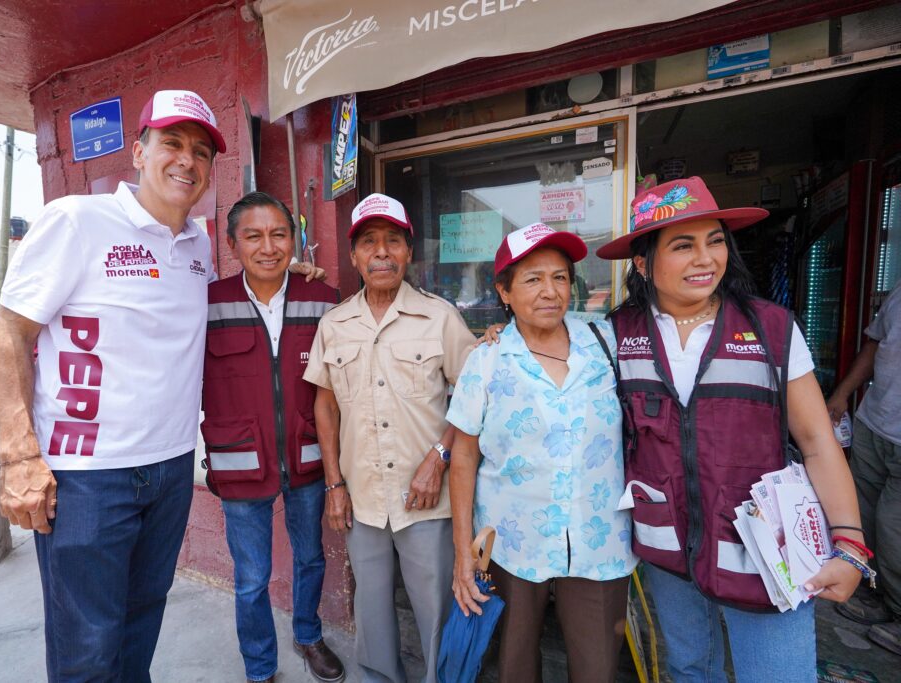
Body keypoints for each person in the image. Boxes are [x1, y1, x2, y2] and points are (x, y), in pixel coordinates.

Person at [0, 89, 225, 682]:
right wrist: (18, 457)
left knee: (141, 626)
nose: (187, 160)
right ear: (139, 152)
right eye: (172, 143)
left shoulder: (198, 245)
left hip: (171, 468)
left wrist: (291, 275)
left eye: (201, 151)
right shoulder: (77, 220)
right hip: (86, 477)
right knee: (87, 651)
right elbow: (10, 333)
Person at [596, 176, 867, 682]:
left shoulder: (771, 328)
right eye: (683, 245)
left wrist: (850, 544)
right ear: (643, 263)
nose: (706, 259)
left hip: (764, 551)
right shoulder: (616, 336)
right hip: (667, 547)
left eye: (715, 241)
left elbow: (816, 441)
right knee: (689, 669)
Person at [449, 223, 636, 683]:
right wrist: (462, 553)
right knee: (514, 664)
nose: (550, 291)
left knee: (597, 668)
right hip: (513, 541)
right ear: (504, 292)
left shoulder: (605, 342)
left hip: (598, 541)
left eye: (560, 277)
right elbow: (464, 459)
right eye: (533, 279)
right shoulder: (486, 359)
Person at [305, 193, 477, 683]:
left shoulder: (440, 317)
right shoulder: (334, 324)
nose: (381, 252)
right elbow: (325, 406)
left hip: (428, 498)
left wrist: (439, 457)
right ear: (354, 255)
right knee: (372, 609)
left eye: (393, 241)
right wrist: (334, 485)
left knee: (437, 607)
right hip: (361, 497)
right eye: (369, 242)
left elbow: (473, 398)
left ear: (408, 252)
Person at [202, 191, 344, 683]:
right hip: (240, 463)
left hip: (308, 458)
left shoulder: (323, 299)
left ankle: (308, 636)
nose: (268, 247)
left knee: (310, 558)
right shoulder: (207, 303)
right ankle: (260, 666)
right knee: (251, 579)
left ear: (294, 240)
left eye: (279, 235)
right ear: (232, 244)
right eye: (254, 236)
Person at [826, 280, 901, 654]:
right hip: (875, 422)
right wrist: (843, 393)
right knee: (861, 515)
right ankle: (873, 592)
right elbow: (875, 345)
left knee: (893, 527)